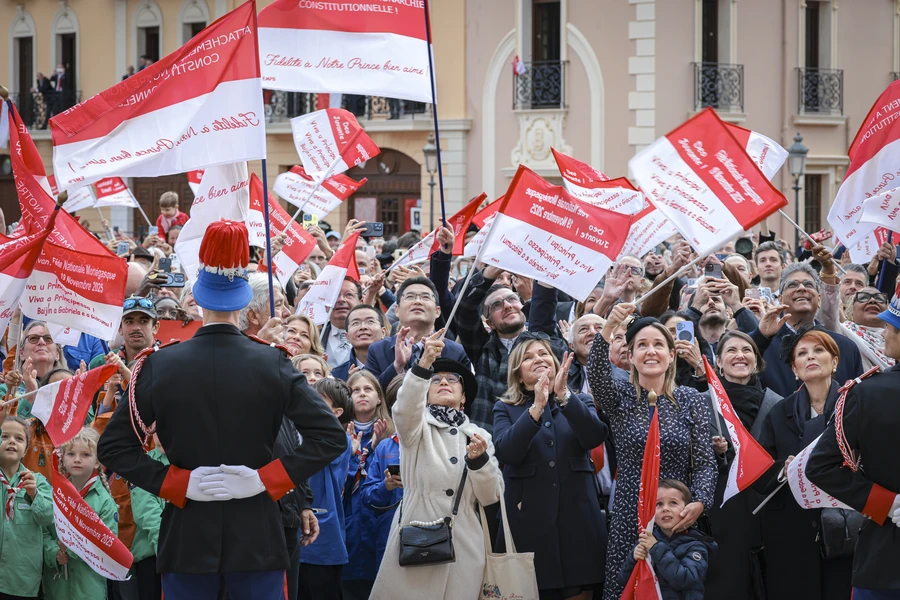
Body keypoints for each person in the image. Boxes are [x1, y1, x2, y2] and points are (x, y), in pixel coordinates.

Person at [97, 220, 347, 599]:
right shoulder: (273, 362)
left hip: (187, 539)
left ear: (197, 298)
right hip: (258, 539)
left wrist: (179, 483)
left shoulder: (160, 364)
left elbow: (113, 448)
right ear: (245, 302)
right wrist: (264, 480)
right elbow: (330, 438)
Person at [588, 304, 716, 600]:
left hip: (675, 517)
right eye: (642, 345)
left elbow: (705, 463)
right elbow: (596, 375)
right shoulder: (621, 397)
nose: (650, 351)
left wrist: (699, 502)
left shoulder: (691, 399)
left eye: (658, 344)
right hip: (629, 515)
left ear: (671, 355)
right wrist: (608, 327)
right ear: (631, 356)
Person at [370, 333, 503, 600]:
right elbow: (404, 409)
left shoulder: (480, 436)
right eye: (435, 379)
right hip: (416, 539)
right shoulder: (415, 426)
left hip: (464, 545)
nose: (443, 381)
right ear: (426, 394)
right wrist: (423, 364)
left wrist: (479, 461)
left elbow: (491, 496)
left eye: (452, 379)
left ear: (464, 397)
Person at [493, 338, 608, 598]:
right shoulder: (505, 408)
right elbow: (507, 452)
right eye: (528, 357)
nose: (538, 359)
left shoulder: (579, 400)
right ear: (518, 375)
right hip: (528, 522)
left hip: (578, 519)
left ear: (556, 364)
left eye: (543, 354)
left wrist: (563, 395)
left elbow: (594, 437)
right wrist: (536, 407)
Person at [807, 289, 900, 599]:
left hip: (886, 559)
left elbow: (821, 466)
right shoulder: (866, 391)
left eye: (890, 327)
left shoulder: (866, 393)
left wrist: (887, 504)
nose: (884, 332)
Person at [755, 326, 852, 600]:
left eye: (819, 350)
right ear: (794, 369)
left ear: (834, 362)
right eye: (802, 353)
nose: (810, 357)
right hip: (791, 532)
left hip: (845, 526)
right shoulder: (778, 412)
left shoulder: (855, 405)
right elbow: (760, 472)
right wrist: (783, 470)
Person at [703, 330, 782, 599]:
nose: (740, 355)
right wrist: (713, 452)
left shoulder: (777, 404)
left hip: (767, 510)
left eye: (747, 350)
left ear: (757, 360)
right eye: (731, 350)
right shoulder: (702, 403)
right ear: (719, 362)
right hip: (722, 514)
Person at [456, 270, 561, 432]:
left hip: (541, 437)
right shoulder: (481, 346)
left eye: (512, 299)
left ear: (522, 307)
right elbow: (464, 311)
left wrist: (546, 270)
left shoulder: (542, 339)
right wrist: (491, 269)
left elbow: (544, 312)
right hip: (488, 440)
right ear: (489, 323)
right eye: (496, 305)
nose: (507, 306)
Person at [751, 262, 863, 398]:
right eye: (792, 285)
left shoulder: (845, 347)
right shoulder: (760, 346)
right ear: (780, 299)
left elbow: (858, 399)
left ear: (819, 298)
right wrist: (761, 336)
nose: (801, 288)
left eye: (808, 284)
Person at [43, 428, 119, 600]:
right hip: (57, 588)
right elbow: (44, 531)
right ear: (63, 457)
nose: (77, 459)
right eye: (71, 454)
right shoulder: (55, 493)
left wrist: (70, 549)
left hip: (89, 588)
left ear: (97, 461)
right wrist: (54, 552)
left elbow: (108, 544)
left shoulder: (104, 502)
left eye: (85, 454)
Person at [299, 379, 354, 600]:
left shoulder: (339, 438)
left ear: (337, 412)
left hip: (325, 538)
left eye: (319, 399)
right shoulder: (296, 433)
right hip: (296, 537)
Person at [617, 480, 717, 600]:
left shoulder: (695, 544)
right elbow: (624, 581)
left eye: (673, 503)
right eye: (659, 504)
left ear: (687, 509)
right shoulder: (647, 538)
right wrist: (633, 559)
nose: (665, 509)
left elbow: (685, 580)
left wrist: (656, 548)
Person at [366, 277, 470, 389]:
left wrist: (435, 363)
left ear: (437, 311)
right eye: (410, 297)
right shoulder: (377, 350)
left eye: (425, 297)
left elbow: (463, 394)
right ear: (396, 310)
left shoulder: (457, 352)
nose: (418, 301)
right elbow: (372, 394)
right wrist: (397, 366)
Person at [343, 370, 394, 599]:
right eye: (355, 390)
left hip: (381, 528)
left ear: (379, 398)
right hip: (348, 528)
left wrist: (376, 446)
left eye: (368, 389)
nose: (362, 394)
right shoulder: (337, 433)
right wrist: (354, 453)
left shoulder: (393, 435)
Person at [0, 414, 54, 599]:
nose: (11, 441)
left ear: (25, 451)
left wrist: (34, 495)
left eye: (19, 438)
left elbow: (47, 517)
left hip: (21, 579)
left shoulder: (37, 481)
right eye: (4, 436)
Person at [128, 433, 168, 600]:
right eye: (159, 428)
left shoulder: (193, 462)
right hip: (152, 556)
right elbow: (146, 513)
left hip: (188, 555)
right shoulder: (143, 464)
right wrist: (166, 550)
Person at [840, 287, 894, 370]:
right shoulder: (843, 332)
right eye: (863, 297)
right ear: (851, 311)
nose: (873, 300)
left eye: (879, 298)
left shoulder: (896, 339)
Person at [332, 305, 387, 381]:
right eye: (356, 323)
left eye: (370, 321)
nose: (363, 327)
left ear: (383, 332)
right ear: (347, 337)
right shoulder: (336, 376)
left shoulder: (397, 366)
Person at [321, 278, 363, 368]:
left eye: (349, 295)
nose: (341, 299)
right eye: (335, 295)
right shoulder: (315, 338)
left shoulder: (372, 338)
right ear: (326, 305)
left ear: (361, 302)